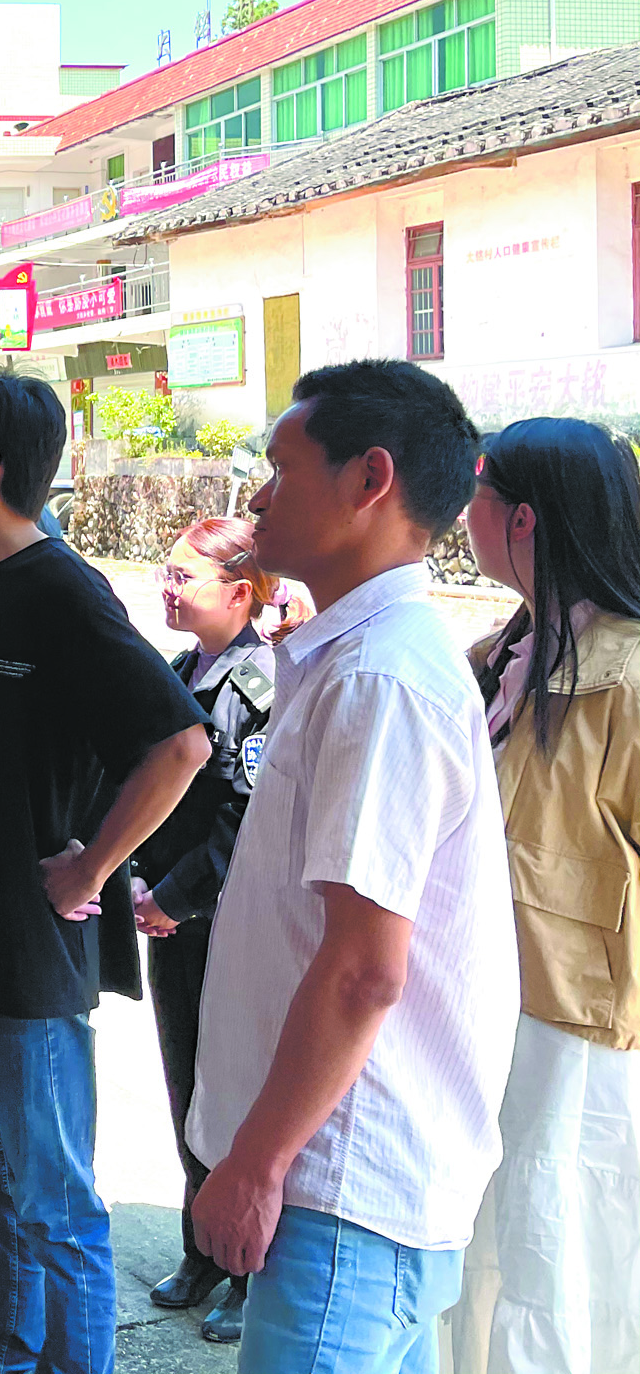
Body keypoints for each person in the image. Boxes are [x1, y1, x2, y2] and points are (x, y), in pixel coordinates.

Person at [0, 369, 212, 1374]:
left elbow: (179, 745)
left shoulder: (65, 591)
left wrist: (92, 869)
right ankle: (3, 1349)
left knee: (55, 1195)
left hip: (31, 959)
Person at [190, 360, 517, 1374]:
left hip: (343, 1187)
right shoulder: (354, 655)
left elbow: (363, 966)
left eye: (281, 467)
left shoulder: (381, 676)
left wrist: (255, 1159)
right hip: (344, 1186)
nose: (257, 494)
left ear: (368, 477)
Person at [442, 418, 640, 1374]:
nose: (461, 511)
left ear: (521, 518)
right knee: (492, 1246)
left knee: (557, 1251)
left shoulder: (630, 679)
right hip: (482, 1005)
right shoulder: (504, 655)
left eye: (476, 489)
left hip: (581, 1031)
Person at [130, 517, 306, 1345]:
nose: (167, 589)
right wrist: (134, 873)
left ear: (241, 592)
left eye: (184, 578)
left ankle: (246, 1268)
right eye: (164, 573)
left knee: (235, 1096)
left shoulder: (257, 685)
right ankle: (202, 1250)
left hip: (226, 926)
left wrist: (173, 894)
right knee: (187, 1088)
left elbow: (246, 817)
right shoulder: (180, 671)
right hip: (173, 923)